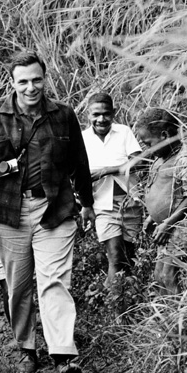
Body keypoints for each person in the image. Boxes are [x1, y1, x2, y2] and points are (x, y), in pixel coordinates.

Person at [0, 50, 95, 373]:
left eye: (36, 79)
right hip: (8, 212)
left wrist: (88, 205)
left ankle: (64, 356)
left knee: (54, 281)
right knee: (18, 286)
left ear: (44, 78)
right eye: (23, 81)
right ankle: (26, 348)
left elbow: (79, 163)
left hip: (54, 209)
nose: (31, 87)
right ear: (12, 82)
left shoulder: (63, 115)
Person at [82, 93, 143, 302]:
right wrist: (84, 205)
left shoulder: (124, 132)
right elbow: (76, 174)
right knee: (115, 256)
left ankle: (130, 302)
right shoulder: (82, 139)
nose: (101, 119)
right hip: (102, 205)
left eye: (106, 114)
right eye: (96, 114)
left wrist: (108, 170)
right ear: (88, 115)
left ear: (113, 114)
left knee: (129, 257)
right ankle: (114, 304)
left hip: (131, 202)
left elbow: (138, 161)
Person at [136, 108, 187, 295]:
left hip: (181, 226)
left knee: (168, 275)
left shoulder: (184, 159)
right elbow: (161, 189)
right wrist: (152, 217)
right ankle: (167, 316)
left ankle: (181, 317)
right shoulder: (161, 159)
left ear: (165, 135)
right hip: (166, 228)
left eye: (148, 143)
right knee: (159, 277)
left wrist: (168, 222)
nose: (147, 149)